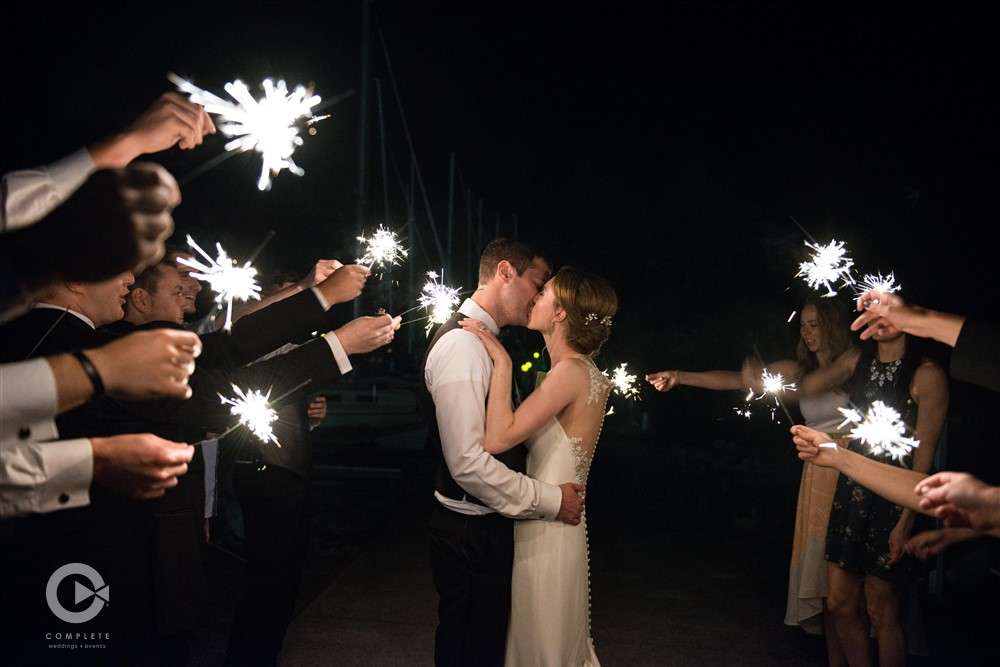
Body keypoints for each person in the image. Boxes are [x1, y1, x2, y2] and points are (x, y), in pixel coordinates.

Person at [646, 298, 856, 651]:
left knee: (847, 592)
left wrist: (757, 378)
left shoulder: (852, 361)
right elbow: (734, 380)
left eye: (814, 324)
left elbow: (809, 388)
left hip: (850, 466)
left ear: (833, 324)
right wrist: (680, 377)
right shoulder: (798, 369)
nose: (806, 332)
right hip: (817, 472)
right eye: (802, 325)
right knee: (825, 592)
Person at [421, 238, 585, 667]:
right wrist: (551, 500)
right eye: (538, 281)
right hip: (468, 534)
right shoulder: (462, 345)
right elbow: (467, 463)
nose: (538, 294)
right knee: (469, 650)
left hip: (483, 529)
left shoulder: (485, 343)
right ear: (506, 272)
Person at [458, 266, 616, 666]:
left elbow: (497, 439)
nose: (535, 298)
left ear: (561, 313)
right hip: (556, 522)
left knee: (541, 638)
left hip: (548, 526)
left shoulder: (569, 373)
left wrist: (502, 364)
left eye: (544, 293)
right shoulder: (584, 373)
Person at [795, 313, 948, 667]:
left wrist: (906, 521)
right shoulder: (856, 360)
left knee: (882, 608)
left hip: (896, 499)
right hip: (853, 488)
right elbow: (806, 386)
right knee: (838, 602)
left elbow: (923, 462)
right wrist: (759, 377)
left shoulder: (927, 375)